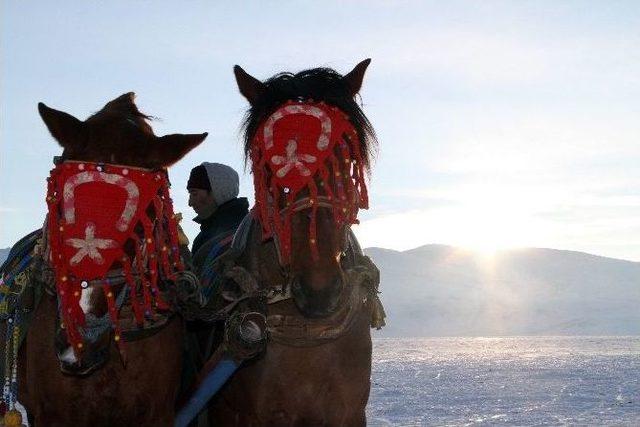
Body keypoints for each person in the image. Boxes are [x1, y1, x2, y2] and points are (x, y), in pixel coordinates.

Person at [186, 162, 249, 269]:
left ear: (217, 192)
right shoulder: (248, 227)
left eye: (194, 194)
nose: (190, 202)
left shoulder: (242, 233)